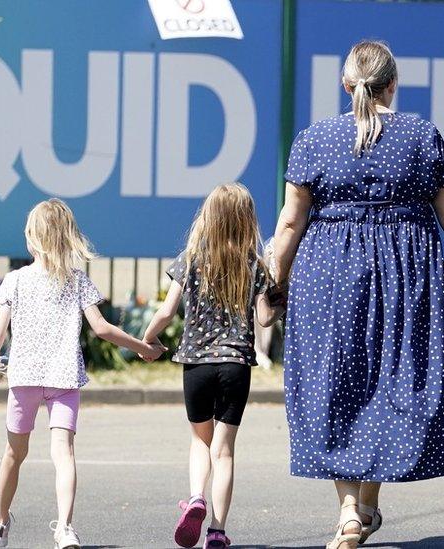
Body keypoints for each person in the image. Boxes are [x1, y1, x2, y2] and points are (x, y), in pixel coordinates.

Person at [270, 40, 444, 549]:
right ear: (393, 84)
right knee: (390, 383)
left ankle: (350, 510)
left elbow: (290, 220)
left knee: (335, 385)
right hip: (404, 275)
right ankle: (364, 506)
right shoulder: (421, 134)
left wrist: (274, 283)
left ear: (347, 86)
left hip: (329, 272)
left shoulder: (315, 139)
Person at [0, 198, 166, 548]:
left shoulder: (15, 281)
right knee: (63, 453)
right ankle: (64, 528)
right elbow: (103, 329)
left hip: (25, 379)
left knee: (14, 454)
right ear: (67, 238)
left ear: (32, 238)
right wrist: (144, 348)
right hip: (64, 379)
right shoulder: (78, 281)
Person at [143, 183, 284, 549]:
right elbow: (266, 319)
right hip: (236, 365)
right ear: (246, 220)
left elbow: (166, 311)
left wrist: (147, 340)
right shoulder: (254, 264)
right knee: (224, 450)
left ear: (208, 217)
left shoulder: (191, 259)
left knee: (199, 442)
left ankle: (195, 498)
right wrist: (280, 299)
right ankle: (218, 531)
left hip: (197, 365)